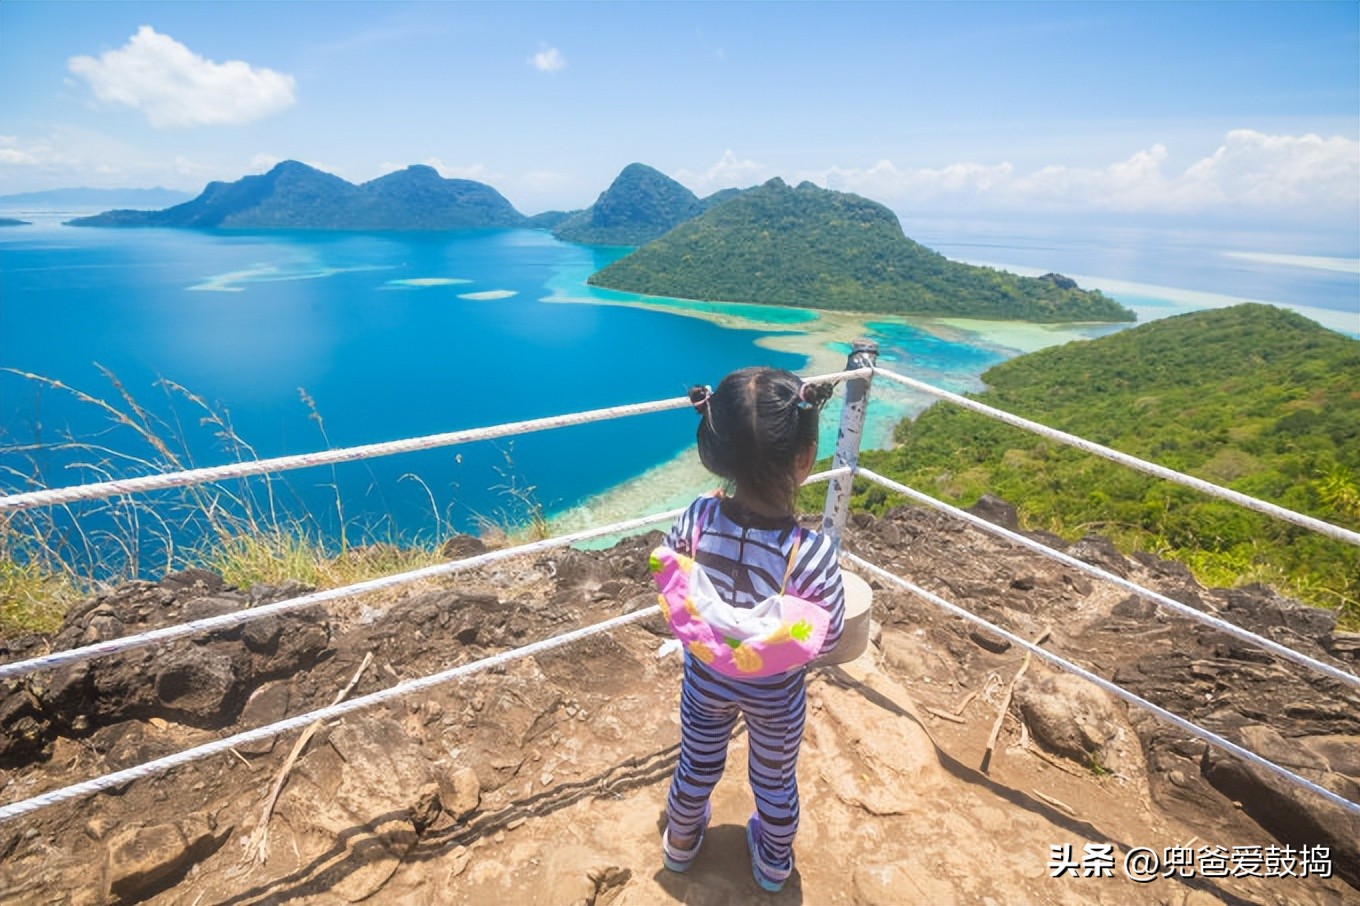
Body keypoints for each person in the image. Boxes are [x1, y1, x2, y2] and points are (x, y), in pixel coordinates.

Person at [652, 366, 846, 893]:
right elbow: (824, 639)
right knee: (774, 778)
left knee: (696, 761)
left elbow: (674, 575)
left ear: (717, 450)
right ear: (804, 459)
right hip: (775, 692)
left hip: (706, 675)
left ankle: (681, 843)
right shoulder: (811, 554)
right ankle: (773, 864)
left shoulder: (697, 517)